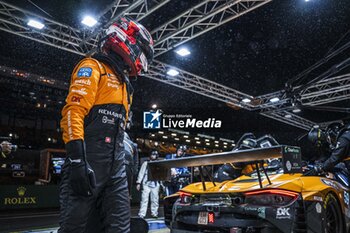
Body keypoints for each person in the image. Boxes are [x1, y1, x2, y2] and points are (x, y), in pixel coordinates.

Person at [59, 17, 154, 233]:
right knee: (73, 228)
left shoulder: (125, 86)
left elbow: (120, 131)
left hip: (116, 167)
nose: (141, 60)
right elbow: (73, 112)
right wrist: (77, 161)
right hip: (87, 162)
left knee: (120, 228)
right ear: (127, 40)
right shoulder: (92, 67)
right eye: (142, 51)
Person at [136, 150, 160, 218]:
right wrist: (138, 182)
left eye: (154, 155)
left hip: (155, 184)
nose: (153, 156)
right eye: (152, 155)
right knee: (144, 200)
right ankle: (142, 214)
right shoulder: (146, 163)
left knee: (155, 200)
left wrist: (162, 184)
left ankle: (154, 213)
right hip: (146, 184)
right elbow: (141, 173)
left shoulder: (158, 163)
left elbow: (161, 174)